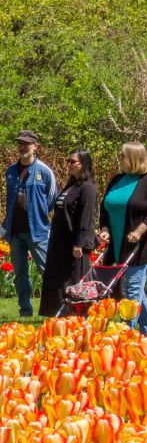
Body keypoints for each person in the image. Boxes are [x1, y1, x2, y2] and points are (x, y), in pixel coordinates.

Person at [97, 142, 147, 334]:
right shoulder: (117, 180)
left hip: (139, 244)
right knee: (137, 291)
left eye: (122, 156)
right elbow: (105, 209)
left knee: (132, 291)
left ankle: (126, 332)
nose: (120, 159)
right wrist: (105, 229)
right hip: (117, 242)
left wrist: (140, 230)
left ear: (134, 158)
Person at [3, 131, 57, 317]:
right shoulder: (10, 171)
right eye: (20, 143)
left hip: (38, 232)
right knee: (20, 275)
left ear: (36, 147)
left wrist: (38, 216)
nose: (22, 147)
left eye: (26, 143)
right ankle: (25, 311)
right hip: (15, 233)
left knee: (47, 272)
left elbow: (52, 198)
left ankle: (54, 310)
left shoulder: (44, 171)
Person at [38, 149, 98, 317]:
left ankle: (75, 315)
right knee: (56, 279)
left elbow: (87, 218)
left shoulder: (88, 188)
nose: (69, 165)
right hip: (59, 243)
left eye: (73, 162)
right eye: (68, 161)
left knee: (72, 281)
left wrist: (80, 242)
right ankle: (58, 314)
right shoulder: (72, 185)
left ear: (84, 164)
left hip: (74, 245)